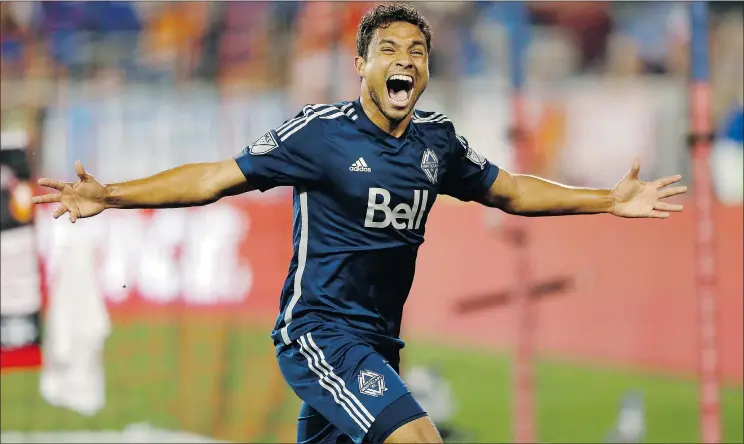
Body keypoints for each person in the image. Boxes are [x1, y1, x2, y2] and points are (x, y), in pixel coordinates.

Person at [32, 4, 688, 443]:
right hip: (319, 334)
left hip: (379, 343)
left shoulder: (439, 142)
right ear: (363, 66)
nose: (405, 59)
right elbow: (213, 178)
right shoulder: (319, 135)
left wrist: (607, 199)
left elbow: (509, 191)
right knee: (419, 439)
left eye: (417, 51)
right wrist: (110, 194)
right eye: (390, 49)